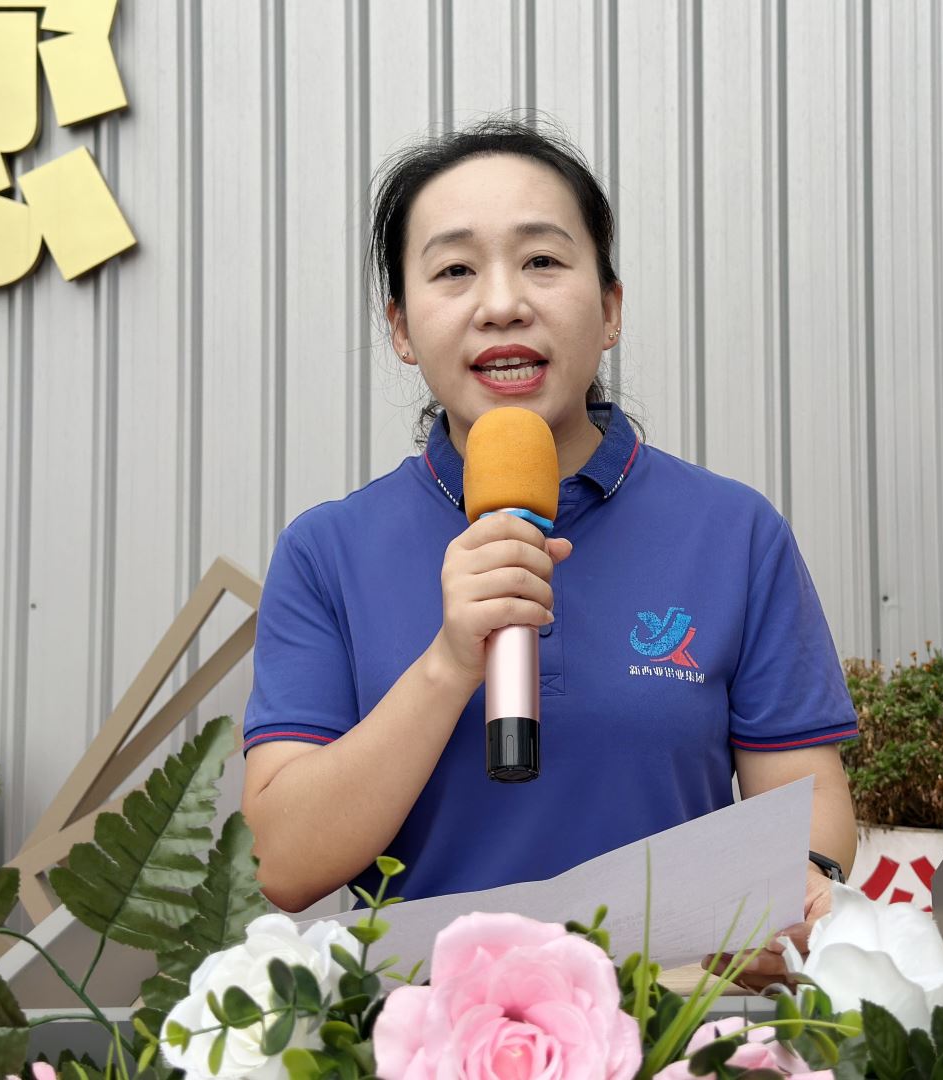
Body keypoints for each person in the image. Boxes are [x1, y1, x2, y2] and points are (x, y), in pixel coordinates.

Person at [240, 117, 856, 986]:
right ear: (401, 328)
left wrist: (802, 886)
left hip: (672, 1026)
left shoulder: (733, 531)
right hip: (424, 1029)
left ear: (609, 309)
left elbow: (806, 801)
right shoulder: (326, 552)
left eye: (541, 260)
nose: (502, 304)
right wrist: (449, 663)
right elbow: (284, 863)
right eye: (455, 270)